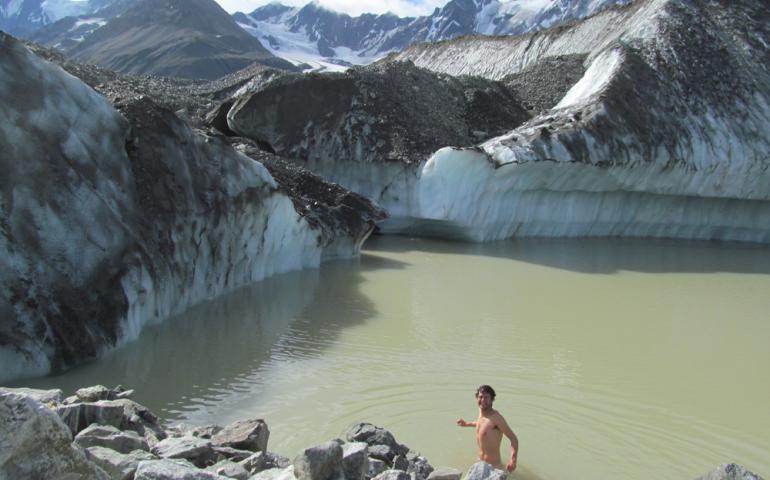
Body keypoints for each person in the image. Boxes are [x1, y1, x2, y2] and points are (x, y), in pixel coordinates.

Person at [456, 384, 518, 472]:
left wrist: (513, 460)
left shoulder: (497, 418)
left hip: (494, 468)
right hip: (480, 463)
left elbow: (514, 439)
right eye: (480, 397)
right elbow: (482, 424)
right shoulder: (482, 413)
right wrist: (466, 424)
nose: (483, 400)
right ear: (477, 398)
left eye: (486, 397)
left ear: (492, 399)